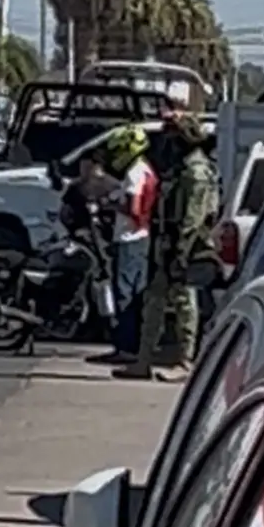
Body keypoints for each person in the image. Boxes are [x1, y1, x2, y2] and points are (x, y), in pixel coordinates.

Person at [116, 112, 219, 383]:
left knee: (184, 304)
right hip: (167, 244)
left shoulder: (196, 172)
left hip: (184, 247)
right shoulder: (180, 167)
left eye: (171, 134)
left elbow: (193, 218)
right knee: (154, 302)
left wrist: (181, 252)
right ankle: (143, 361)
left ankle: (185, 361)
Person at [92, 124, 159, 366]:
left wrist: (107, 205)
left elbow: (133, 208)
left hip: (130, 238)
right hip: (139, 237)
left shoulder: (135, 173)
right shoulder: (143, 169)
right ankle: (130, 345)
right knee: (133, 293)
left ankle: (126, 347)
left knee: (125, 294)